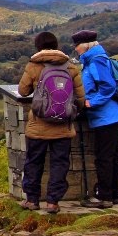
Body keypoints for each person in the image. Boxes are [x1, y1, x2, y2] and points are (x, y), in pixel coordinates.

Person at [17, 31, 85, 213]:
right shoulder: (70, 67)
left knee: (34, 162)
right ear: (56, 45)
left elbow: (23, 91)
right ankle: (53, 202)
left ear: (38, 46)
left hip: (38, 126)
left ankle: (32, 200)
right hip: (63, 126)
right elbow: (80, 97)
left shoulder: (33, 66)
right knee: (60, 163)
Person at [71, 29, 118, 209]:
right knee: (113, 156)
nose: (75, 49)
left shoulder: (96, 61)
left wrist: (91, 103)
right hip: (115, 114)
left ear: (86, 45)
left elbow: (107, 86)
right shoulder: (97, 59)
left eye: (77, 45)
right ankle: (114, 194)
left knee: (104, 157)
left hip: (107, 116)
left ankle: (104, 196)